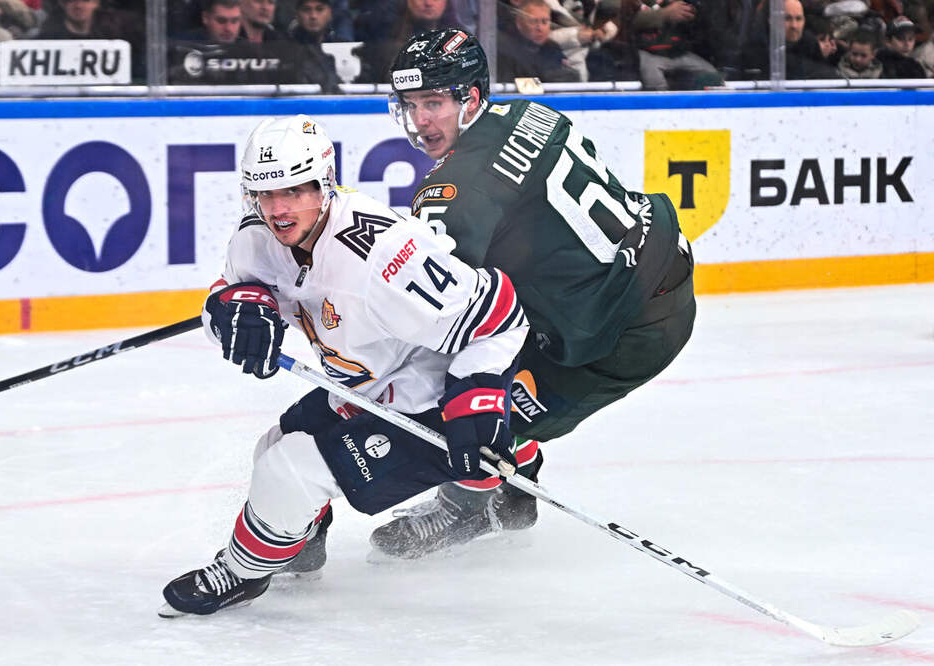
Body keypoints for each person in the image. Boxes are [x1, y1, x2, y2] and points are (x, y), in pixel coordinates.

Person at [158, 114, 529, 617]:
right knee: (276, 445)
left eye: (293, 191)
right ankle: (299, 545)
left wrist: (477, 399)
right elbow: (228, 293)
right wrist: (233, 308)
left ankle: (242, 572)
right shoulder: (256, 237)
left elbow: (500, 317)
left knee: (290, 473)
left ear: (324, 183)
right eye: (265, 193)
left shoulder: (385, 255)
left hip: (435, 399)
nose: (278, 209)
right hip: (368, 385)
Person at [349, 28, 694, 561]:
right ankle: (514, 491)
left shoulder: (453, 192)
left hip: (628, 329)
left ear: (471, 97)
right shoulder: (532, 113)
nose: (420, 121)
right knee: (501, 353)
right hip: (658, 265)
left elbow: (438, 312)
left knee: (458, 402)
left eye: (434, 103)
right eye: (411, 105)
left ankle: (471, 506)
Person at [497, 0, 581, 82]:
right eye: (533, 22)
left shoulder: (552, 48)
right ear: (519, 23)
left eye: (544, 22)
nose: (540, 28)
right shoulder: (506, 50)